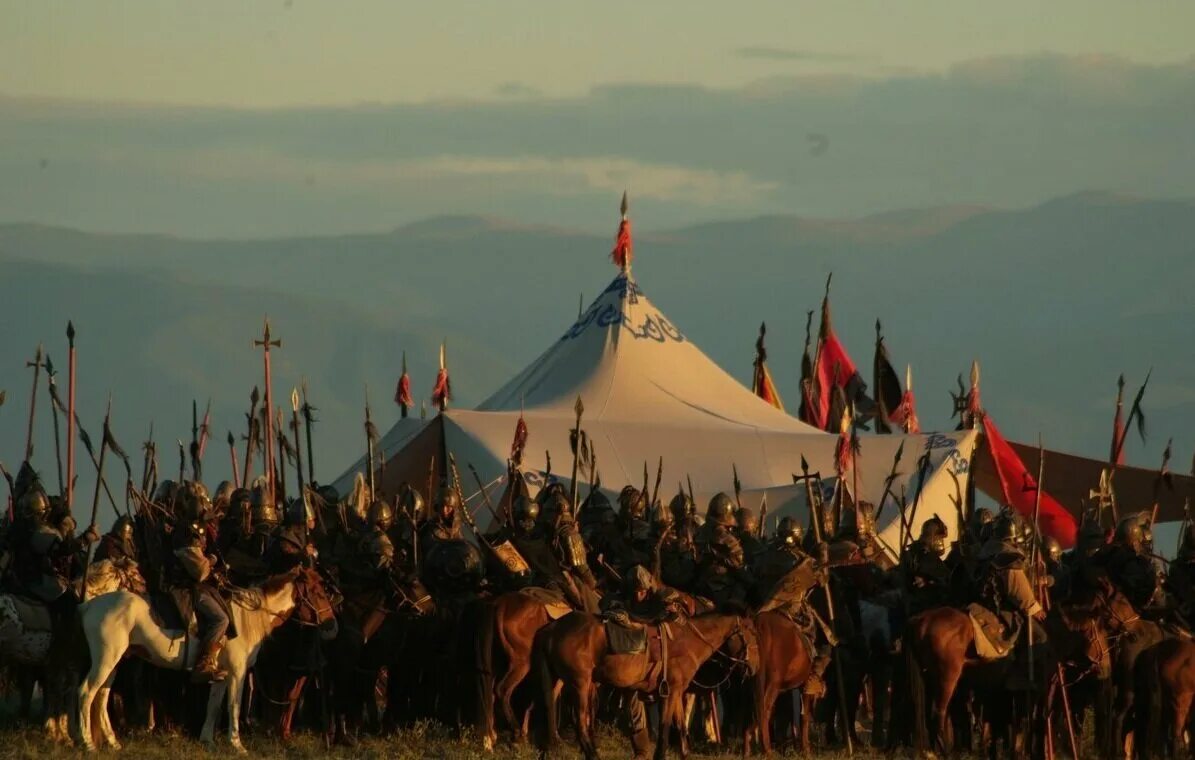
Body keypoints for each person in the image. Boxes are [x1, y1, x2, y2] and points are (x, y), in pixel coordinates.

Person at [169, 520, 230, 682]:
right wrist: (211, 560)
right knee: (221, 619)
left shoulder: (188, 543)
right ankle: (203, 662)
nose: (202, 543)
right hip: (188, 592)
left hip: (195, 589)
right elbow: (201, 572)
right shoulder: (188, 548)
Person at [695, 493, 750, 609]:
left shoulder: (699, 532)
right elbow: (739, 567)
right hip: (720, 588)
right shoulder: (728, 539)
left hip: (699, 583)